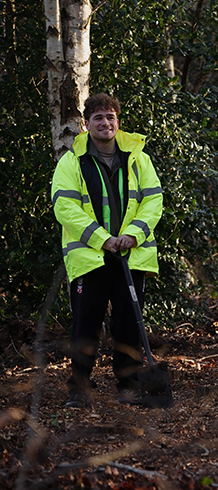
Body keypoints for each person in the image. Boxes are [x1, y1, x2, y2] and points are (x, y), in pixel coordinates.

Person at [51, 93, 164, 408]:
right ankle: (80, 389)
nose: (105, 123)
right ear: (87, 125)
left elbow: (154, 200)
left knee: (129, 324)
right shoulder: (72, 161)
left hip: (132, 254)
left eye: (110, 117)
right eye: (98, 118)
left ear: (118, 122)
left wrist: (132, 234)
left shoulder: (138, 157)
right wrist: (103, 239)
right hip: (90, 257)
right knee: (85, 324)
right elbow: (65, 207)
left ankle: (128, 385)